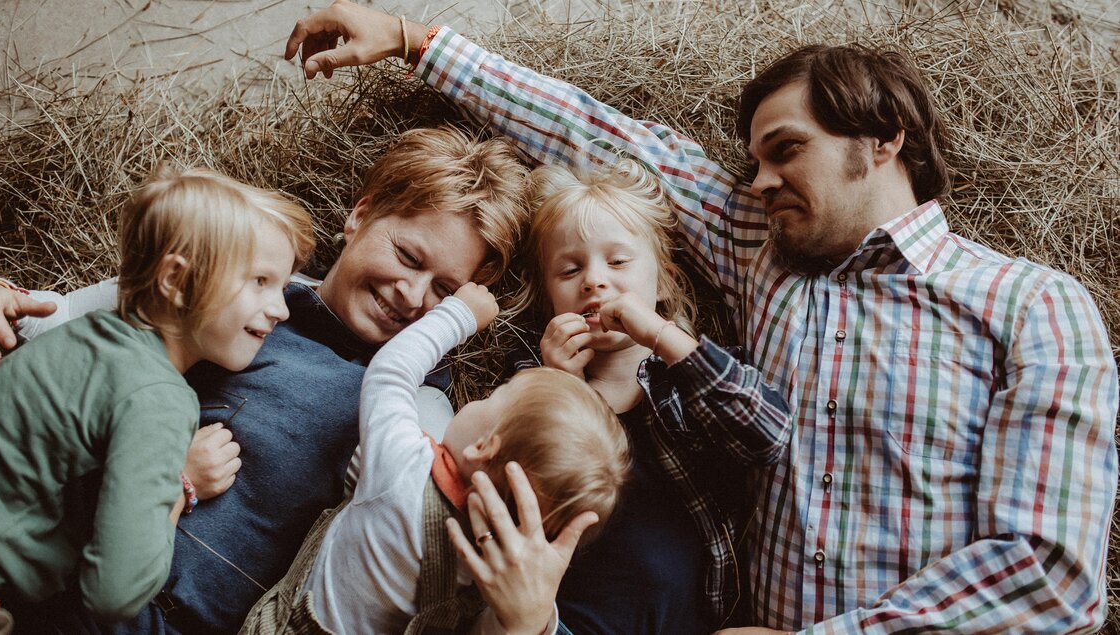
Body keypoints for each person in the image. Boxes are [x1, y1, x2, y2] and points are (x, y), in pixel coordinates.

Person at [284, 4, 1119, 632]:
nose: (756, 181)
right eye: (752, 162)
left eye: (785, 149)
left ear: (884, 137)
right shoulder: (768, 252)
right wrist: (413, 38)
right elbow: (600, 136)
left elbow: (1050, 575)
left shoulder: (1032, 304)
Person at [0, 127, 531, 634]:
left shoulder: (419, 410)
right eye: (408, 256)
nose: (413, 296)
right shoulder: (246, 283)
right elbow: (67, 322)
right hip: (67, 575)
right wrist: (0, 296)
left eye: (445, 292)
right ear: (360, 216)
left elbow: (426, 548)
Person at [0, 165, 314, 629]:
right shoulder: (159, 398)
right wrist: (179, 490)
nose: (281, 308)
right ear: (175, 281)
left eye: (282, 288)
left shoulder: (86, 337)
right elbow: (113, 595)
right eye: (260, 281)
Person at [503, 158, 791, 632]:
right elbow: (512, 491)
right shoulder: (536, 373)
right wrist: (560, 388)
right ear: (549, 297)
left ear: (664, 282)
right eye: (570, 269)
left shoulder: (694, 375)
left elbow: (768, 435)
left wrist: (663, 336)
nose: (594, 280)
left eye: (617, 262)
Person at [244, 281, 630, 634]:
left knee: (424, 400)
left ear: (483, 448)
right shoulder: (491, 579)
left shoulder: (403, 468)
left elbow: (390, 374)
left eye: (493, 397)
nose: (479, 399)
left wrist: (458, 314)